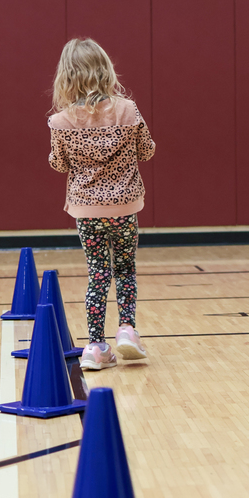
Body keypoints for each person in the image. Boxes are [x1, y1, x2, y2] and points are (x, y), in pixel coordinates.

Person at [48, 38, 155, 371]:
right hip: (124, 207)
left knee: (98, 273)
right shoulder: (128, 110)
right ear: (106, 70)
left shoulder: (61, 121)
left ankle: (95, 346)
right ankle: (127, 330)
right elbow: (147, 150)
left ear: (66, 77)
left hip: (87, 210)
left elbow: (59, 164)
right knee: (125, 270)